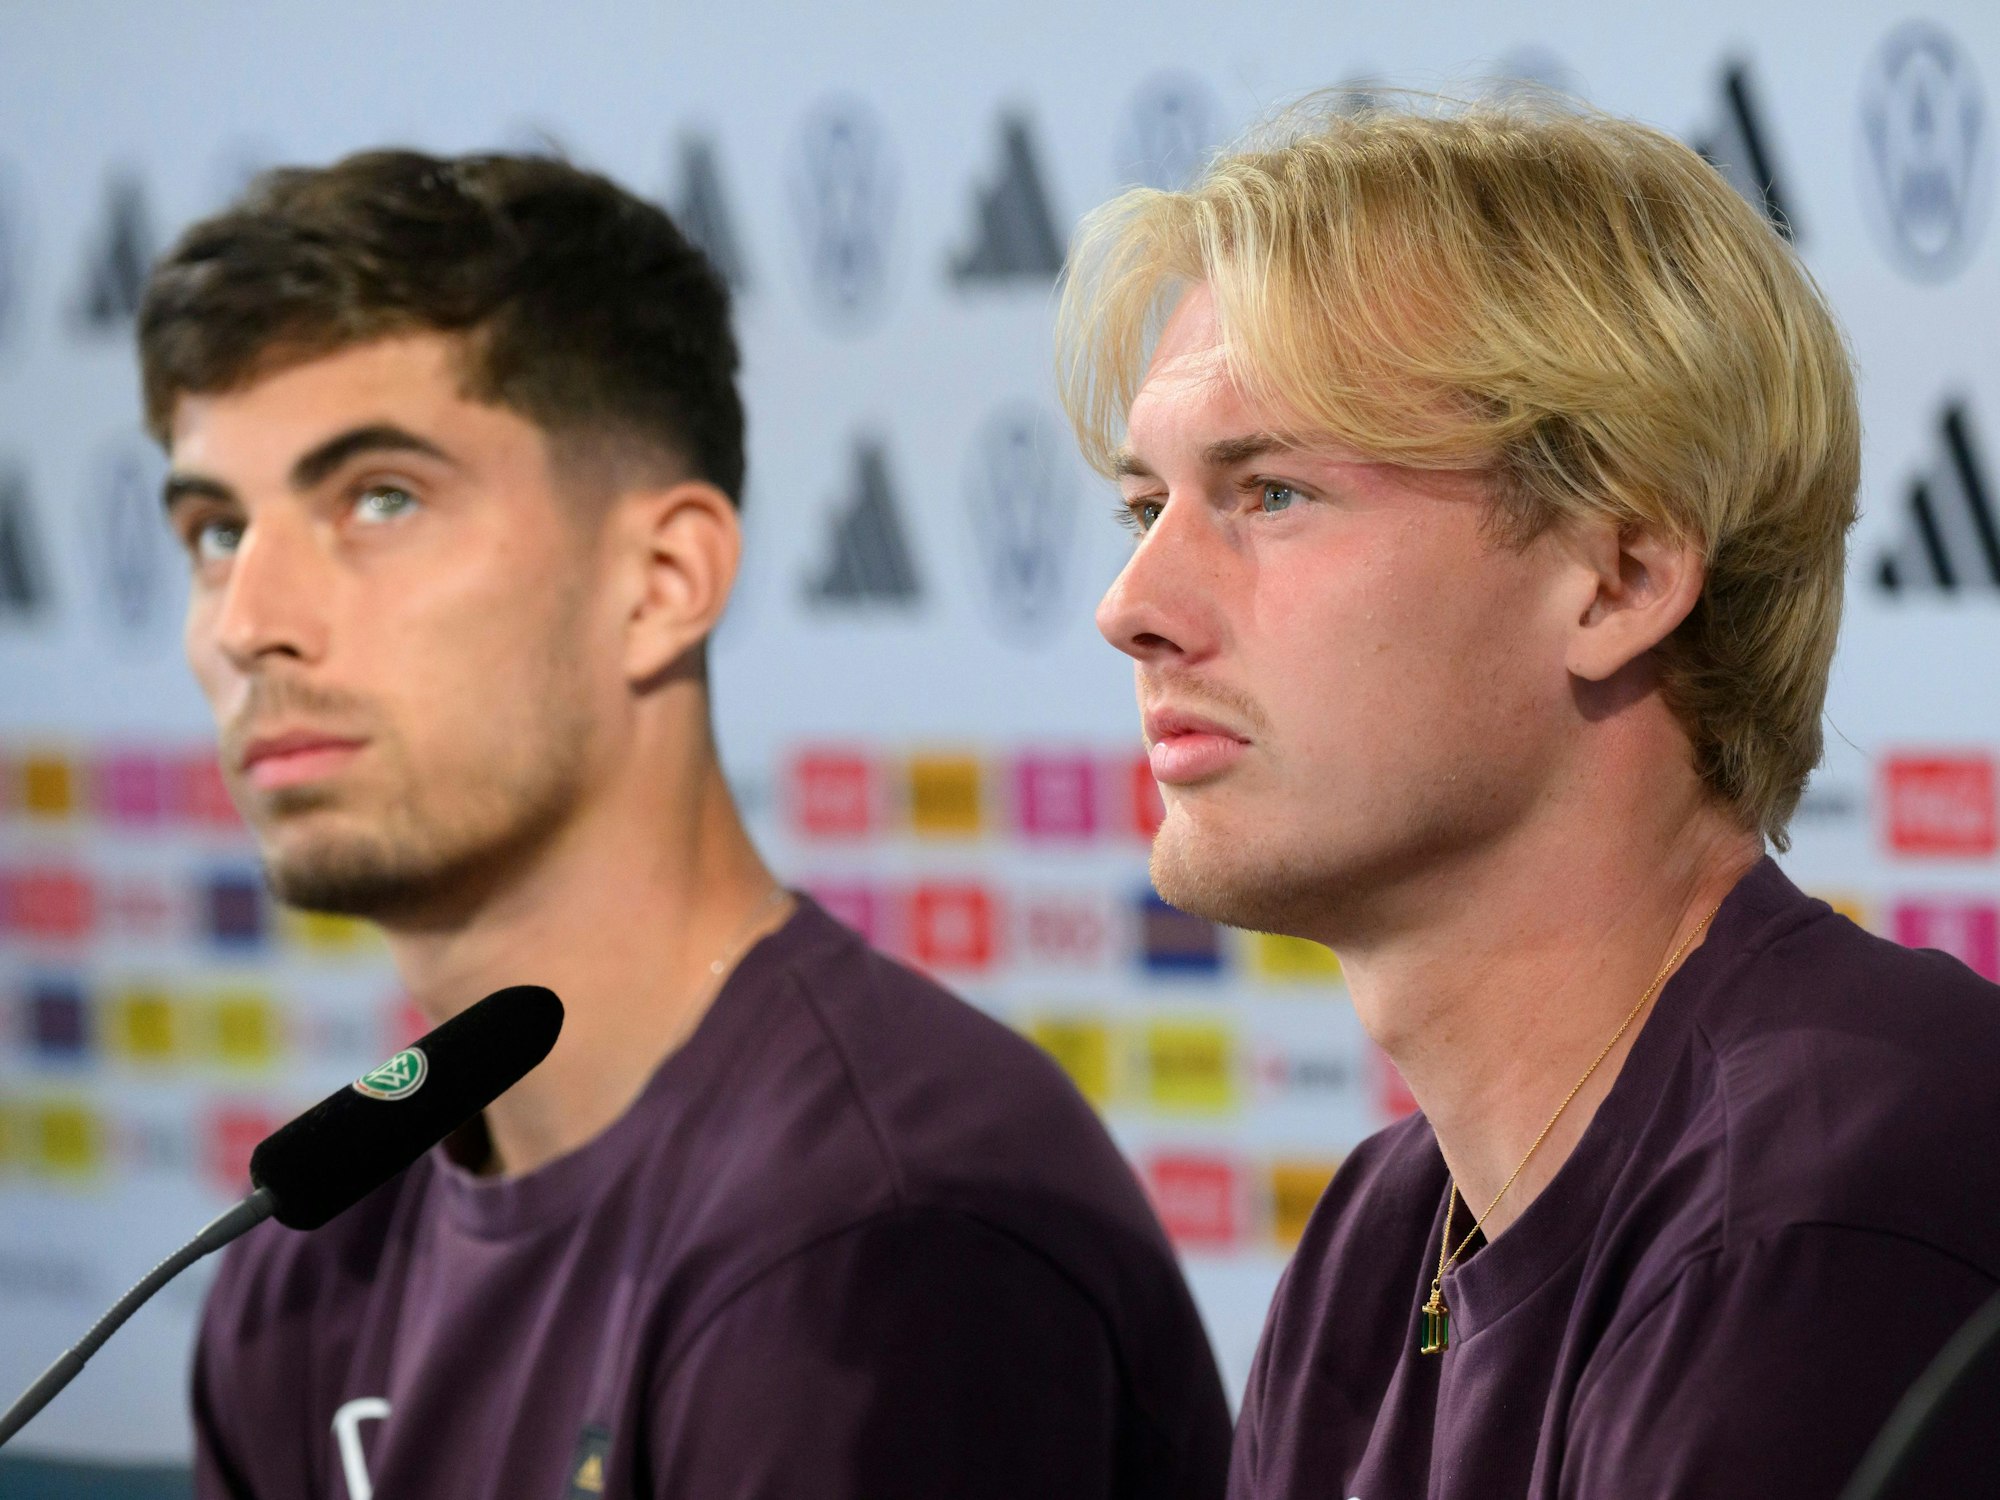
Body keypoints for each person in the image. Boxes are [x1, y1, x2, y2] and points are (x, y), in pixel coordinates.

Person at [142, 149, 1230, 1500]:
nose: (248, 621)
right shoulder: (306, 1253)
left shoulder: (883, 1232)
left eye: (380, 499)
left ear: (664, 580)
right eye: (211, 531)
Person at [1056, 97, 2000, 1498]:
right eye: (1149, 510)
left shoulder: (1843, 1205)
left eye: (1270, 495)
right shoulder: (1378, 1249)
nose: (1130, 608)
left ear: (1619, 577)